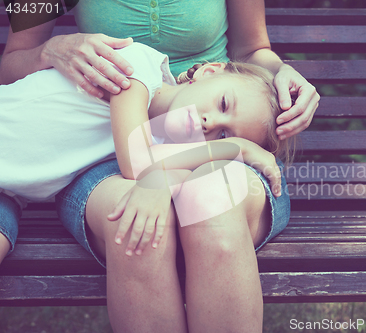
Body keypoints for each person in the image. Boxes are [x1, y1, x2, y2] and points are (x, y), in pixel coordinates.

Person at [0, 1, 319, 332]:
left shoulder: (177, 119)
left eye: (222, 133)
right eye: (222, 107)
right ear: (209, 71)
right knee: (138, 222)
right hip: (96, 157)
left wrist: (283, 73)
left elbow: (254, 48)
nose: (211, 122)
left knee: (208, 202)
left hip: (139, 147)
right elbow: (139, 166)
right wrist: (233, 146)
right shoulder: (134, 66)